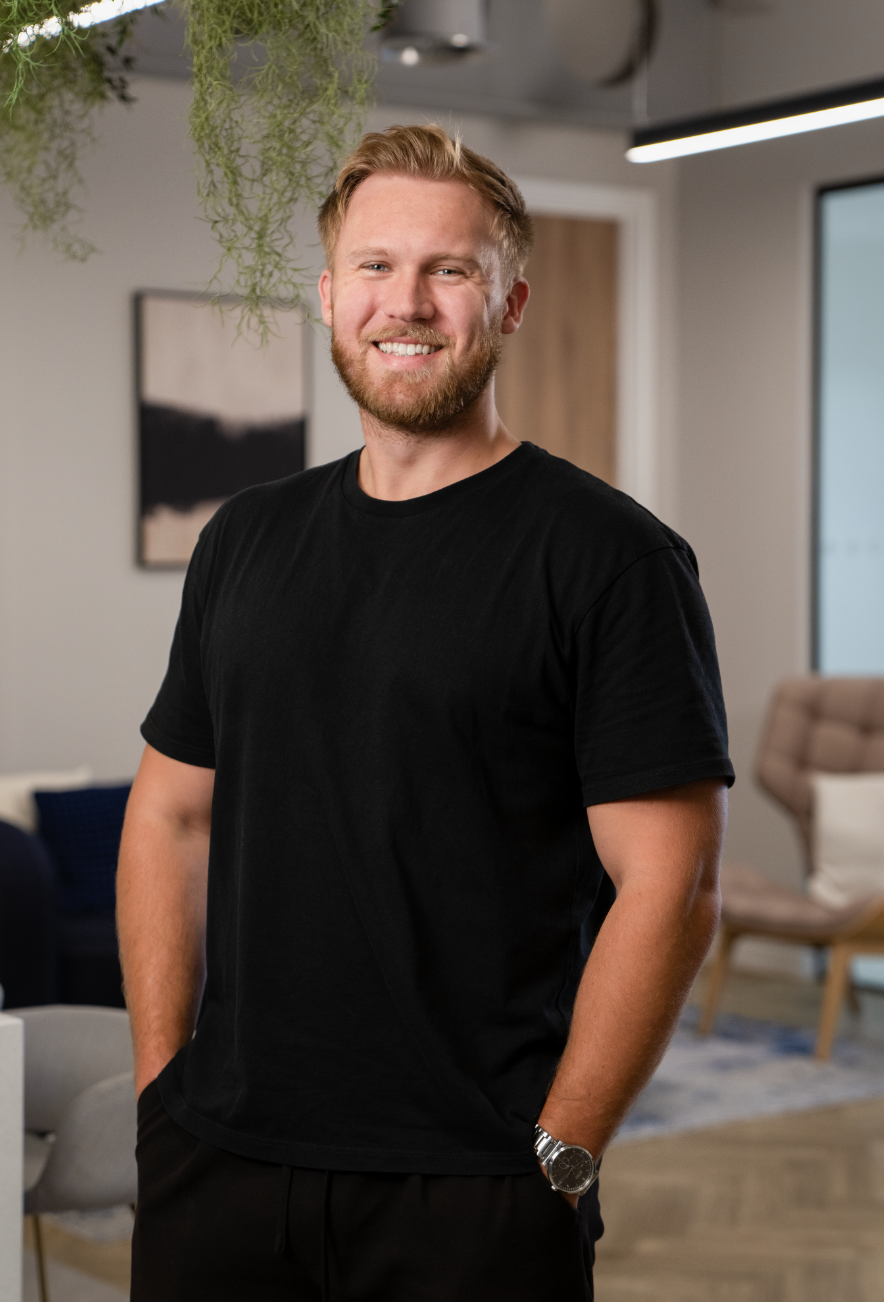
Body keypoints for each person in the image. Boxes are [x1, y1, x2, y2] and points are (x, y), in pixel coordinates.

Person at [118, 124, 734, 1302]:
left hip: (474, 1189)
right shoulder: (244, 540)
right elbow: (171, 818)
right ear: (327, 296)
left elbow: (672, 884)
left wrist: (561, 1151)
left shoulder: (609, 560)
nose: (405, 303)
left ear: (507, 304)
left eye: (449, 270)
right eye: (375, 266)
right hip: (222, 1166)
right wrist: (162, 1094)